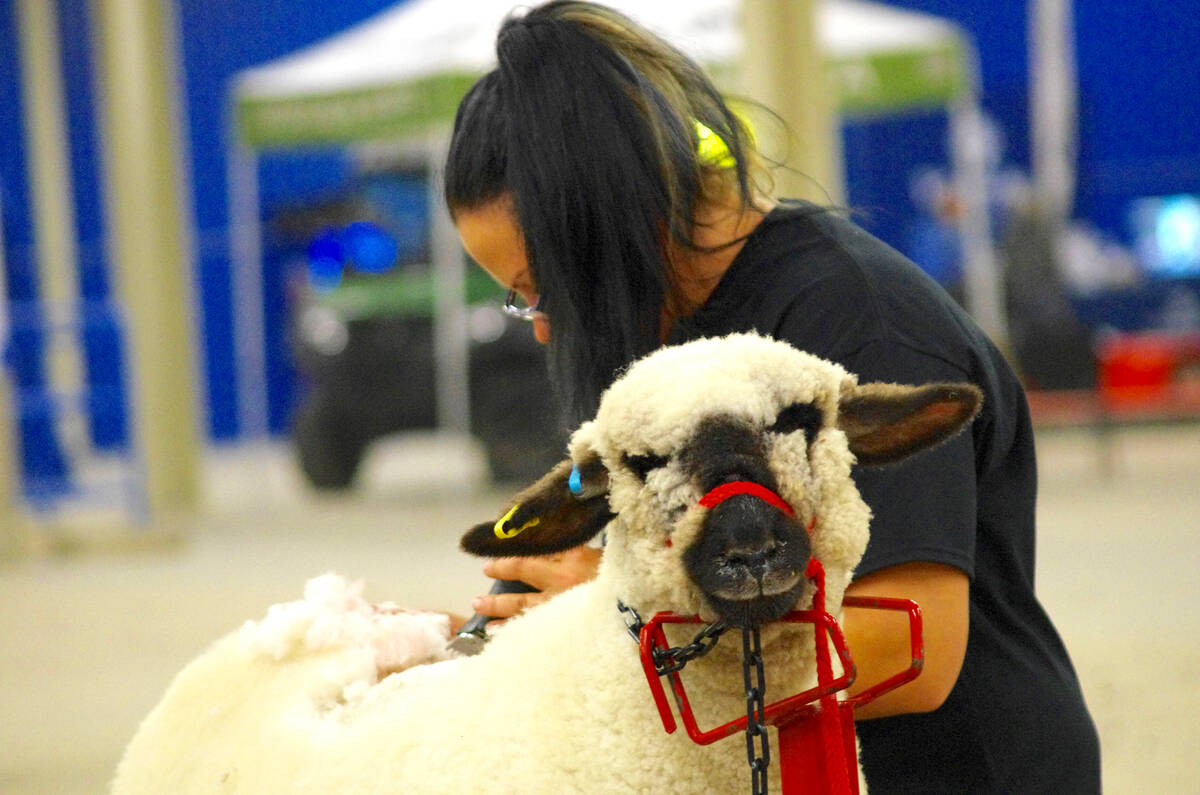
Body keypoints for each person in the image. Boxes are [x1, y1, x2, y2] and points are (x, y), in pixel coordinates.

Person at [443, 2, 1100, 791]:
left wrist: (612, 616)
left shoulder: (857, 319)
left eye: (541, 290)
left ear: (607, 226)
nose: (546, 331)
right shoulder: (671, 328)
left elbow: (912, 647)